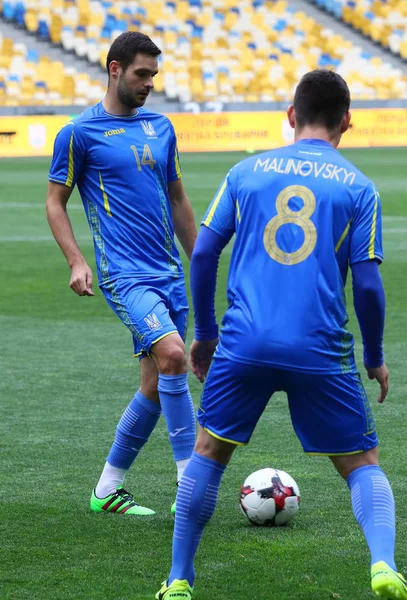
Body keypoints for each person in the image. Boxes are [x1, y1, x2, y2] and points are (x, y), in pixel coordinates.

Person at [156, 69, 407, 599]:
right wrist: (375, 355)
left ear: (291, 116)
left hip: (243, 344)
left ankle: (179, 578)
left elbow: (202, 252)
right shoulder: (360, 186)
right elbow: (367, 285)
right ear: (348, 122)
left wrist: (205, 333)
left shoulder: (245, 172)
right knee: (362, 464)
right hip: (320, 348)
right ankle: (383, 565)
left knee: (207, 453)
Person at [46, 31, 197, 516]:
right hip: (124, 275)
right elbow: (55, 202)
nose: (149, 83)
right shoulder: (79, 132)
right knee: (173, 355)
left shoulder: (161, 127)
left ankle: (106, 489)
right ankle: (190, 483)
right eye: (141, 74)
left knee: (155, 383)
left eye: (153, 74)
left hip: (169, 272)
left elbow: (177, 198)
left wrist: (202, 260)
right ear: (114, 69)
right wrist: (76, 260)